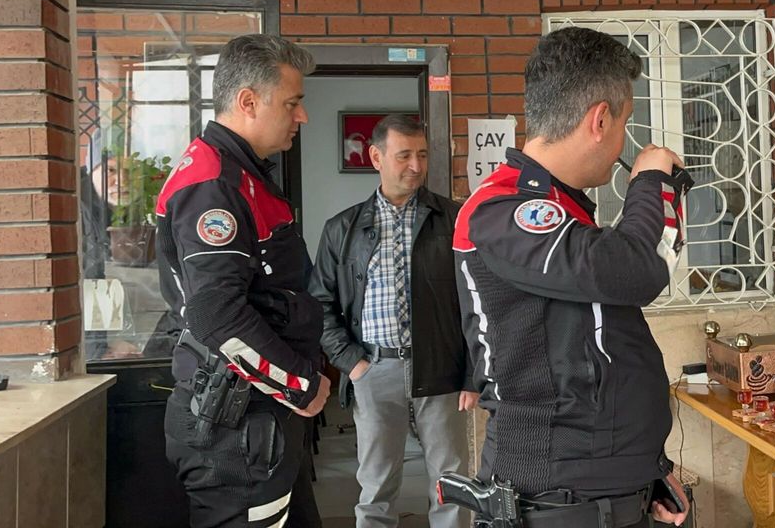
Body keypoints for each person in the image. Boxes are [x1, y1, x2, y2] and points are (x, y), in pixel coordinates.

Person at [454, 26, 691, 528]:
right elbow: (636, 269)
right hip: (554, 503)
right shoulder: (500, 210)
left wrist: (646, 472)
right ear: (600, 120)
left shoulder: (563, 212)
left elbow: (596, 349)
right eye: (625, 123)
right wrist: (653, 182)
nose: (625, 140)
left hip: (602, 489)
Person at [157, 34, 329, 528]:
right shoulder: (214, 184)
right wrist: (300, 385)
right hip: (237, 428)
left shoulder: (240, 174)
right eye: (292, 103)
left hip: (256, 421)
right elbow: (215, 313)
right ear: (248, 101)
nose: (302, 116)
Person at [310, 114, 476, 528]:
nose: (416, 166)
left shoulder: (454, 220)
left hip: (441, 370)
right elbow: (319, 304)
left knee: (452, 483)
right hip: (374, 369)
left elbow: (478, 300)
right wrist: (352, 362)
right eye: (404, 155)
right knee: (376, 487)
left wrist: (474, 374)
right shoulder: (342, 229)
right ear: (376, 157)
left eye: (422, 154)